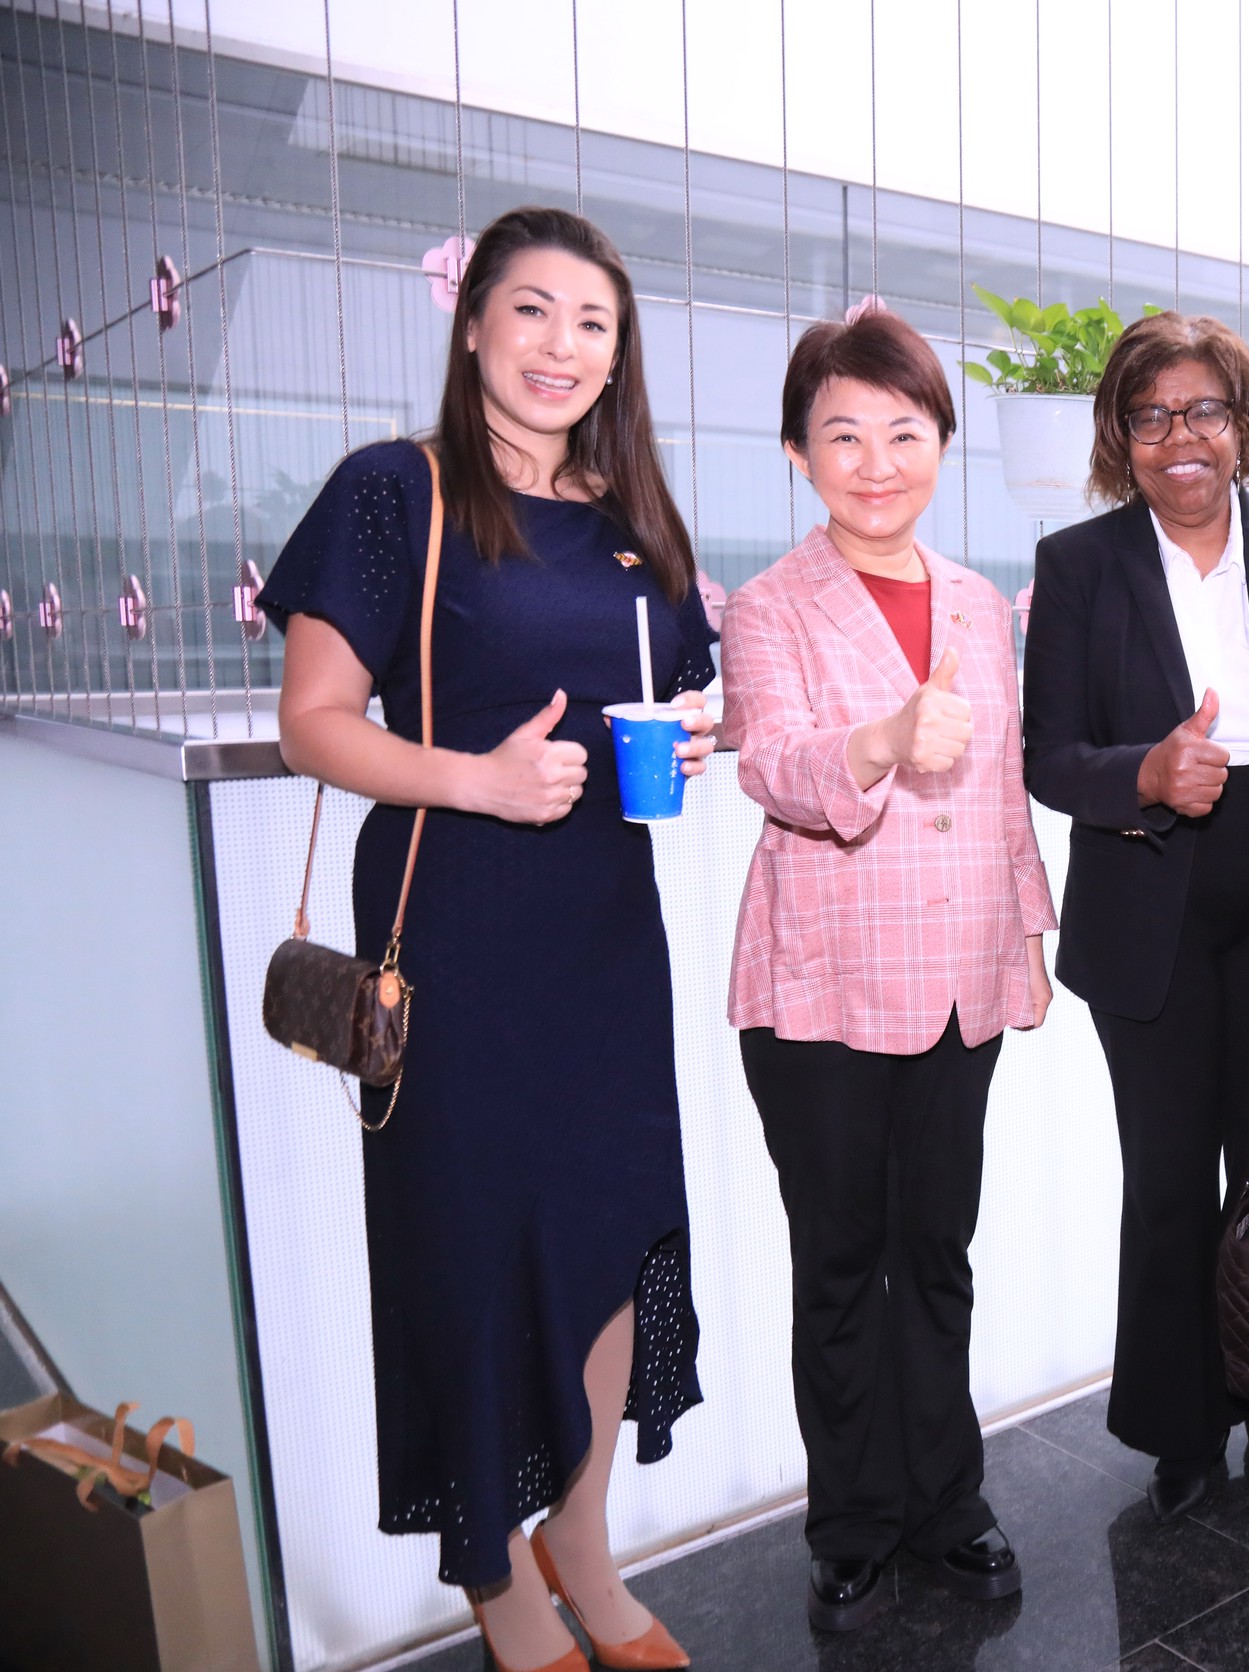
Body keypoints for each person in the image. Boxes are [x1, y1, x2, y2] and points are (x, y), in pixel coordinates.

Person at [261, 206, 714, 1672]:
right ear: (472, 327)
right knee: (469, 1245)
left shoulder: (636, 518)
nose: (559, 347)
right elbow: (313, 722)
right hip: (454, 930)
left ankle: (582, 1537)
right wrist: (479, 780)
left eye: (592, 324)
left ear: (617, 356)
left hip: (603, 933)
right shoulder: (396, 490)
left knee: (610, 1231)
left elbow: (674, 691)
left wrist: (687, 743)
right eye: (531, 311)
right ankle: (495, 1572)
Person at [1022, 311, 1249, 1523]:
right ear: (1119, 436)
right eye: (1150, 415)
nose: (1178, 435)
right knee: (1170, 1178)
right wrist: (1145, 771)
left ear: (1244, 423)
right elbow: (1047, 755)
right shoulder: (1079, 563)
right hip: (1150, 897)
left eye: (1203, 410)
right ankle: (1180, 1422)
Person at [718, 300, 1056, 1634]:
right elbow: (771, 764)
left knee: (937, 1250)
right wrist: (881, 739)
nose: (876, 461)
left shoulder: (974, 599)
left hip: (962, 975)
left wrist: (1025, 942)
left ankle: (945, 1503)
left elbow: (1002, 785)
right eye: (843, 434)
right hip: (821, 989)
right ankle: (852, 1523)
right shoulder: (769, 607)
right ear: (798, 454)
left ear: (942, 446)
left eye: (904, 432)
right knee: (843, 1259)